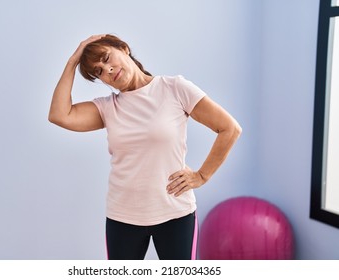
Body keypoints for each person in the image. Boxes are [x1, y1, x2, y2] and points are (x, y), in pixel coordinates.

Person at [48, 34, 242, 260]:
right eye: (99, 71)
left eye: (107, 58)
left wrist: (202, 176)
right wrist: (73, 61)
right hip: (123, 217)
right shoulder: (108, 108)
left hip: (175, 213)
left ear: (124, 48)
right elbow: (59, 115)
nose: (107, 70)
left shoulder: (174, 88)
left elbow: (229, 128)